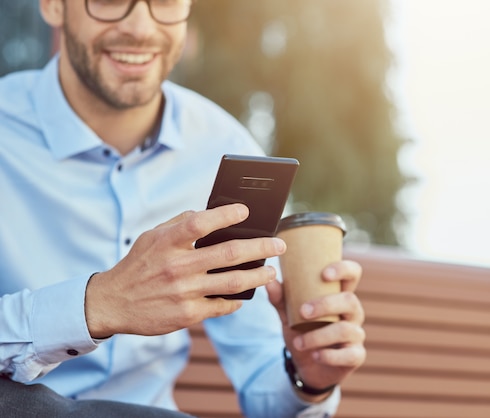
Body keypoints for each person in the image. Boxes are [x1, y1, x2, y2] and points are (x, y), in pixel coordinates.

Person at [0, 0, 366, 417]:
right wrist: (99, 304)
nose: (140, 27)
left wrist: (307, 377)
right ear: (52, 6)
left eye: (166, 2)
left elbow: (265, 387)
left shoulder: (223, 147)